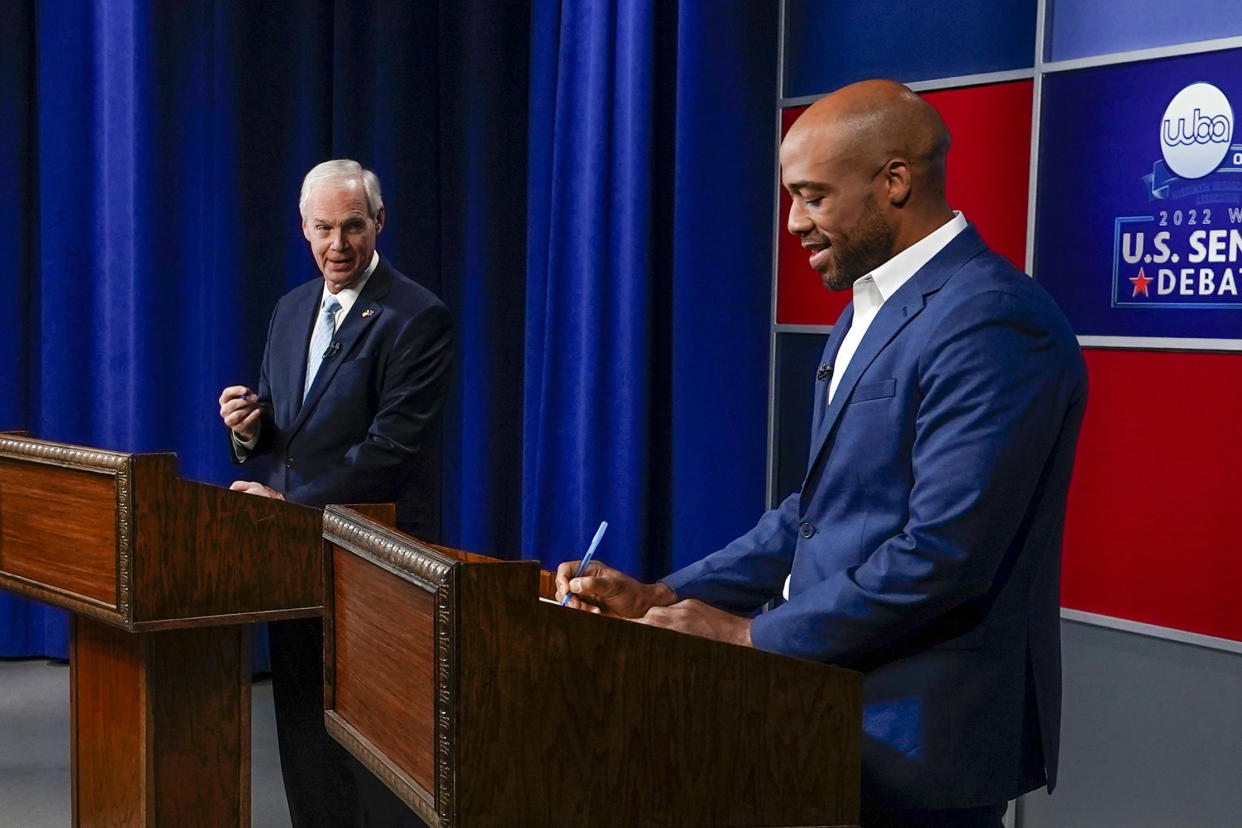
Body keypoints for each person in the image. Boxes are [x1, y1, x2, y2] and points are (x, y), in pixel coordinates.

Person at [556, 79, 1087, 828]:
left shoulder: (994, 323)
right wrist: (663, 598)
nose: (794, 223)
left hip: (919, 747)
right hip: (826, 721)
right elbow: (814, 515)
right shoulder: (868, 310)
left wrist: (746, 634)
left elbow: (944, 554)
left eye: (812, 196)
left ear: (895, 181)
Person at [219, 159, 452, 828]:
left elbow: (388, 453)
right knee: (303, 736)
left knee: (376, 751)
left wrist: (289, 510)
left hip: (375, 559)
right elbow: (284, 441)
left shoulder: (418, 317)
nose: (338, 246)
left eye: (353, 227)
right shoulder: (291, 309)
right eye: (324, 229)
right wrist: (247, 431)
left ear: (379, 223)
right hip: (296, 562)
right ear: (303, 227)